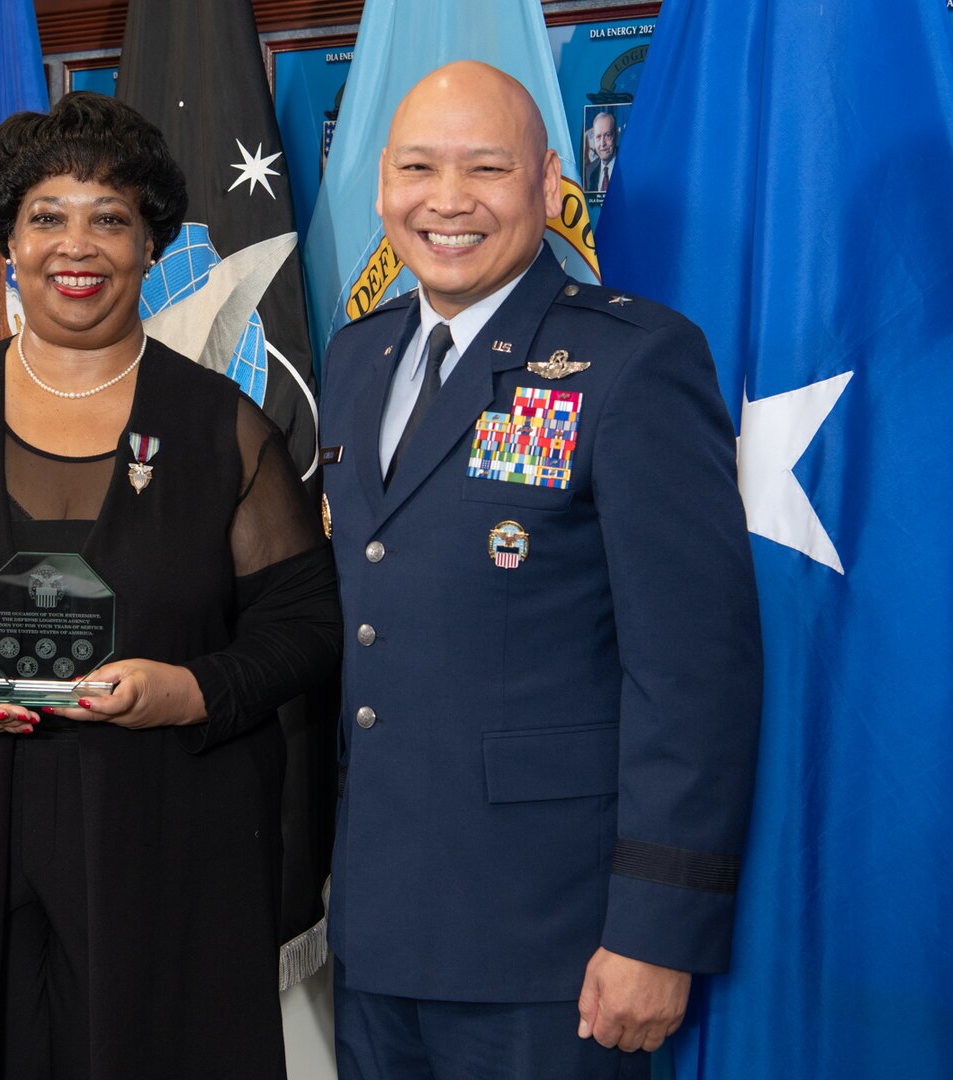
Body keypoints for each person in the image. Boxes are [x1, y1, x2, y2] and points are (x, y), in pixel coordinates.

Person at [0, 91, 342, 1080]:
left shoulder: (221, 427)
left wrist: (194, 691)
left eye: (112, 218)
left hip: (166, 831)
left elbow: (307, 625)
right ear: (6, 243)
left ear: (152, 246)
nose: (79, 245)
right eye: (47, 216)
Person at [319, 61, 761, 1079]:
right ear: (382, 180)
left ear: (547, 180)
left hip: (550, 946)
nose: (448, 201)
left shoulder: (632, 364)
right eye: (420, 167)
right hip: (381, 928)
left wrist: (657, 929)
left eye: (486, 168)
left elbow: (693, 672)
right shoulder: (358, 357)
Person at [584, 109, 619, 195]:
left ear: (616, 135)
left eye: (607, 135)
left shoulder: (628, 167)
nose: (602, 143)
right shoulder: (588, 171)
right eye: (598, 137)